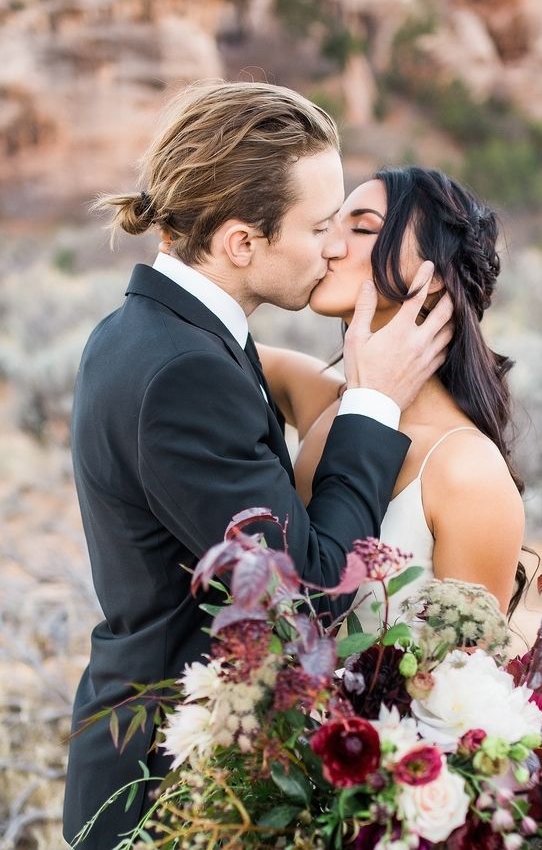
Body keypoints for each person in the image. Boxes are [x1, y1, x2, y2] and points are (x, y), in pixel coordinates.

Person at [63, 84, 453, 849]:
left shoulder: (155, 331)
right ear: (243, 242)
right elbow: (307, 593)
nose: (334, 246)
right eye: (318, 226)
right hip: (166, 792)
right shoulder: (182, 370)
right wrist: (372, 403)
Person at [259, 166, 525, 631]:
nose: (330, 246)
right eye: (327, 226)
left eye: (361, 228)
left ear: (435, 276)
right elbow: (208, 338)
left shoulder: (466, 472)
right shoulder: (326, 402)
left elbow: (468, 679)